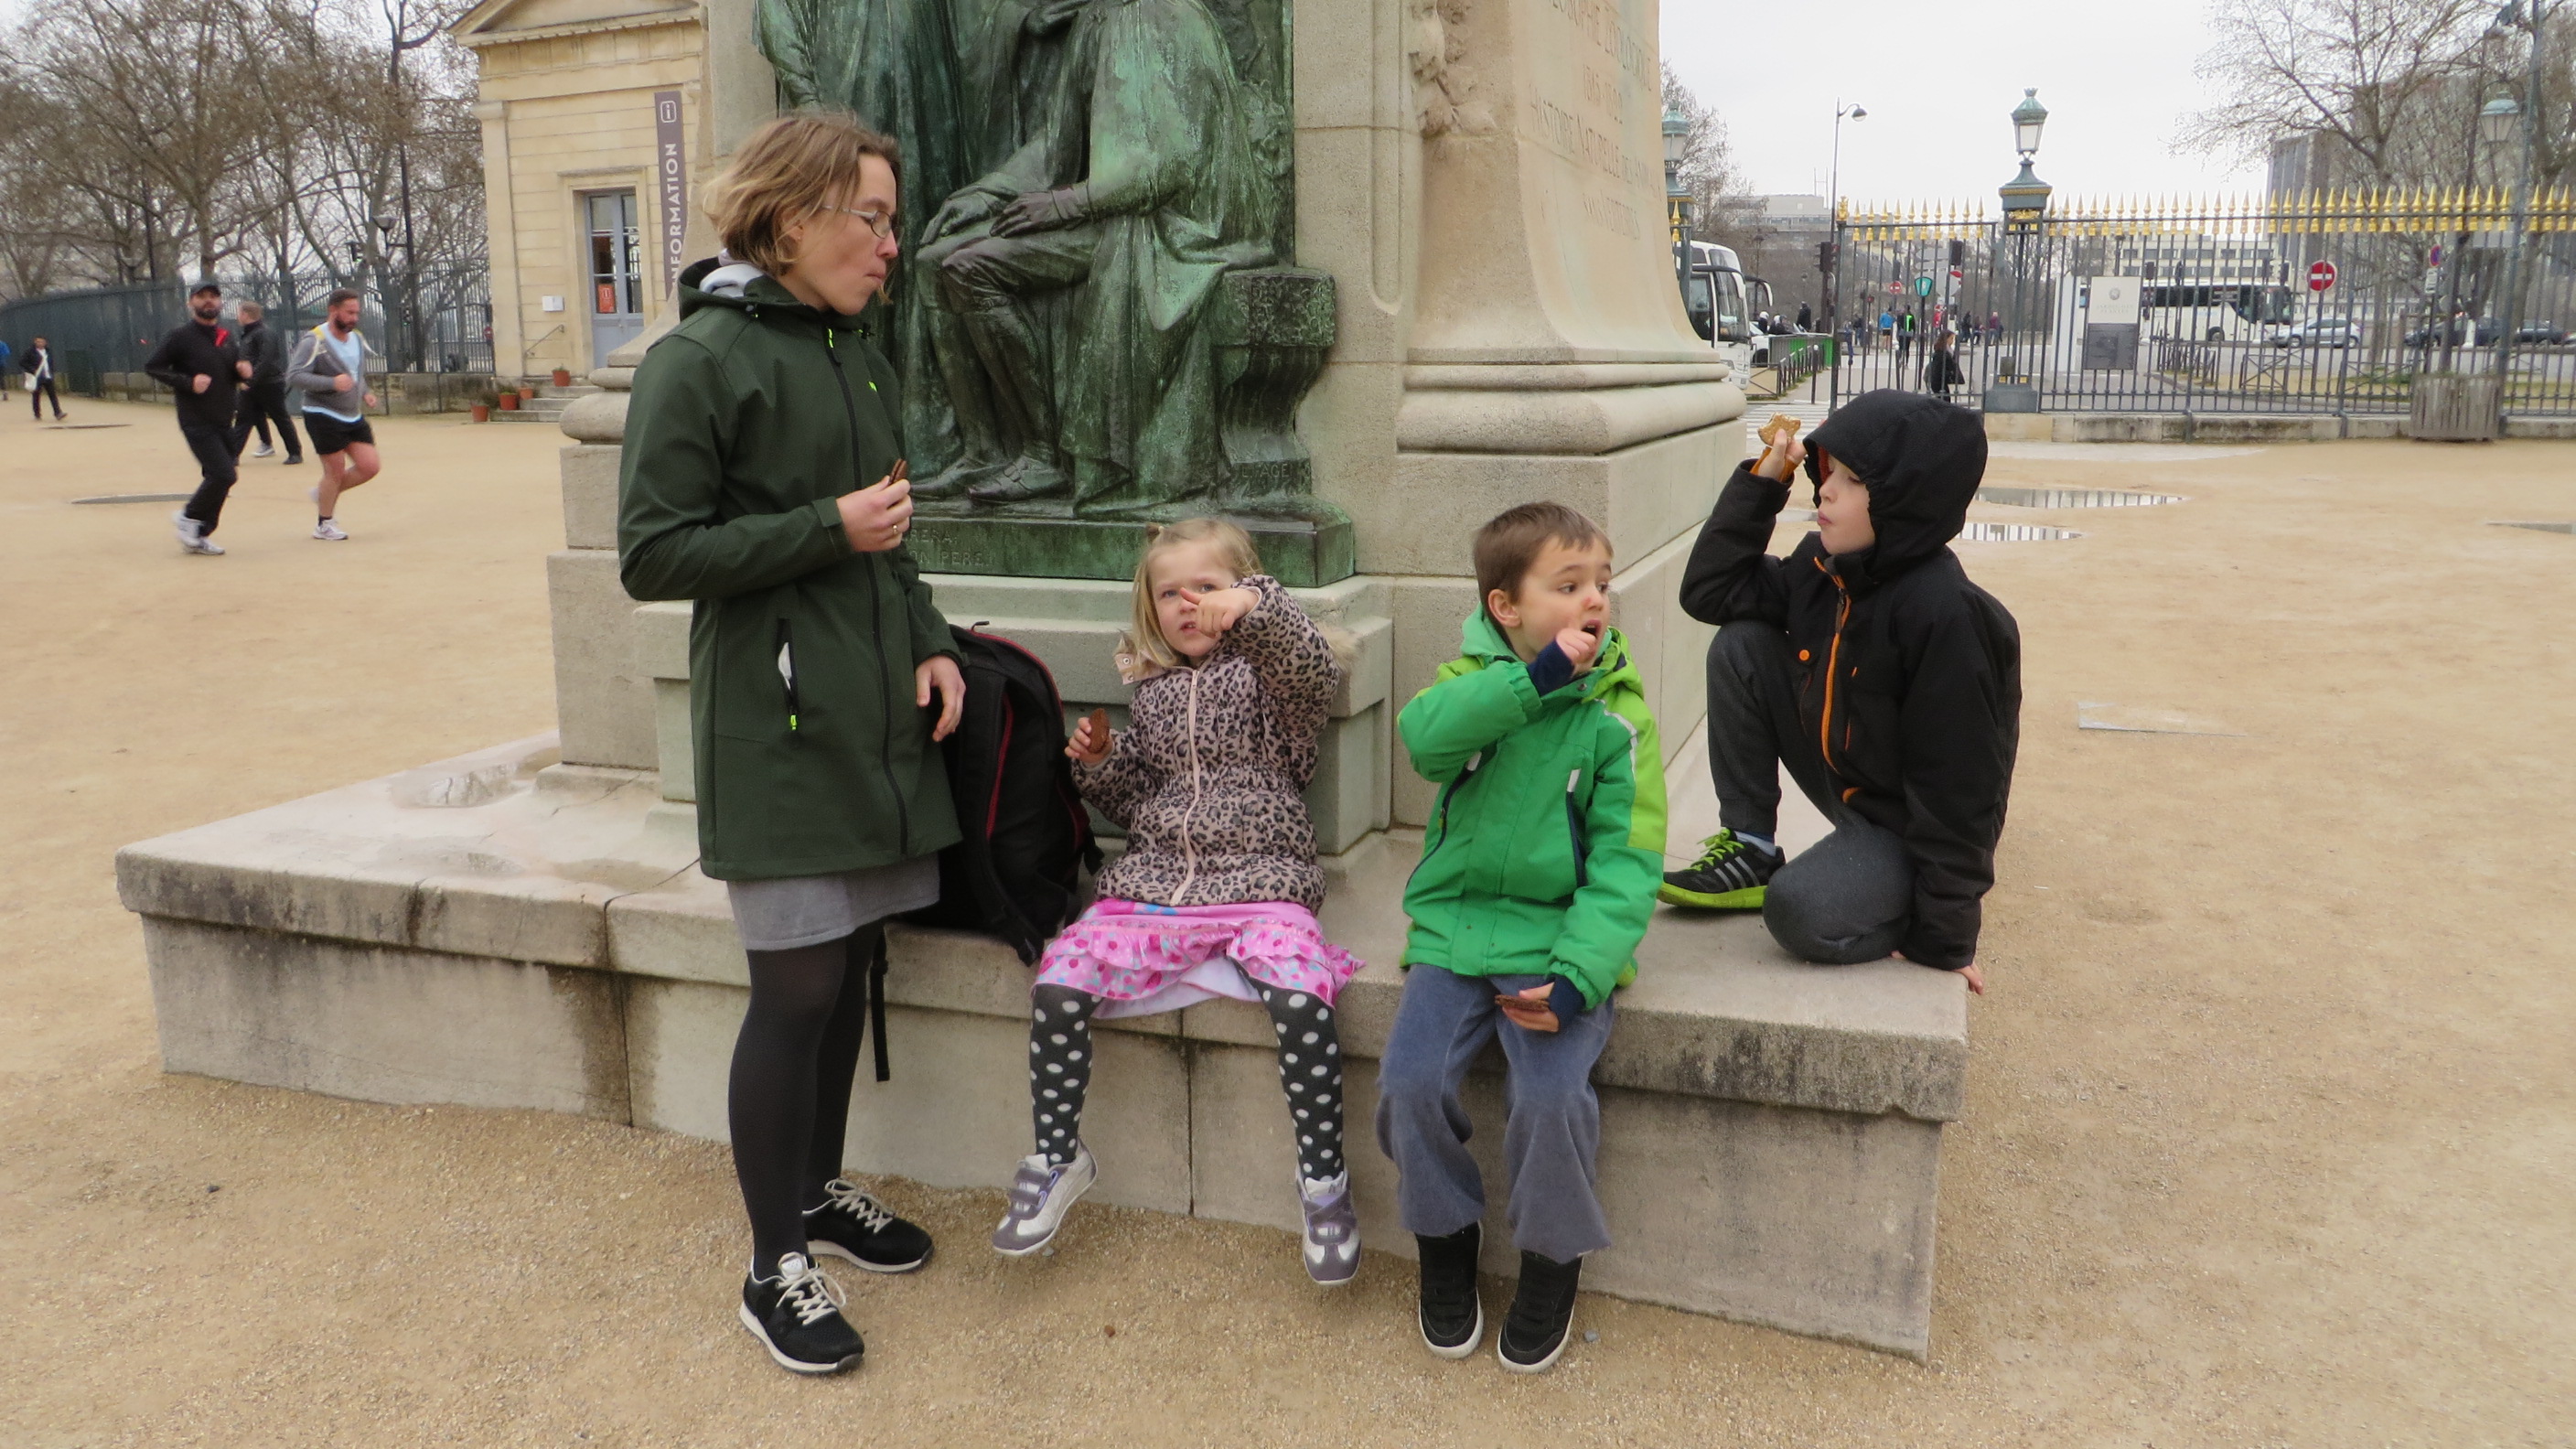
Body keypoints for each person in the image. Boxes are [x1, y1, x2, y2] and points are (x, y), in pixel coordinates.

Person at [618, 112, 967, 1379]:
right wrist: (828, 527)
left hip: (874, 717)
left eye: (891, 221)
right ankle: (774, 1266)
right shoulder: (697, 360)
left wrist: (928, 637)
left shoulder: (855, 350)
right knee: (796, 990)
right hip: (776, 729)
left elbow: (892, 530)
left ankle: (817, 1193)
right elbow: (653, 554)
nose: (889, 245)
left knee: (853, 959)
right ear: (790, 216)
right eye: (869, 219)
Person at [993, 518, 1365, 1283]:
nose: (1188, 604)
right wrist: (1102, 763)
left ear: (1241, 587)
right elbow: (1140, 801)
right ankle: (1057, 1158)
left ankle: (1324, 1182)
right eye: (1170, 593)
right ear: (1149, 608)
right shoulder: (1154, 692)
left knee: (1302, 997)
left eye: (1206, 587)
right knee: (1059, 980)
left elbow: (1305, 662)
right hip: (1155, 887)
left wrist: (1253, 607)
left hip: (1262, 882)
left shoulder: (1274, 679)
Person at [1377, 501, 1666, 1374]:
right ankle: (1445, 1237)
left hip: (1556, 947)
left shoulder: (1617, 716)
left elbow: (1628, 863)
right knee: (1409, 1084)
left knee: (1549, 1100)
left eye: (1601, 583)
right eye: (1568, 585)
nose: (1595, 599)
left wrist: (1580, 975)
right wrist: (1529, 682)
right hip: (1455, 930)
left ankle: (1551, 1255)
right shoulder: (1468, 681)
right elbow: (1424, 740)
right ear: (1505, 606)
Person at [1663, 389, 2019, 1000]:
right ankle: (1749, 847)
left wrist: (1944, 935)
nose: (1824, 490)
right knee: (1741, 644)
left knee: (1798, 910)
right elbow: (1710, 592)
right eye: (1829, 471)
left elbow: (1962, 791)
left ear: (1904, 499)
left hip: (1905, 825)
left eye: (1853, 481)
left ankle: (1891, 897)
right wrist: (1766, 480)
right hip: (1845, 775)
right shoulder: (1825, 567)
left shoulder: (1946, 615)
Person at [144, 284, 253, 555]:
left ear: (220, 302)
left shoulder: (225, 336)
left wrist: (242, 371)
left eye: (213, 297)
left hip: (223, 417)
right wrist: (188, 382)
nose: (208, 301)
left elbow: (229, 371)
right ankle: (188, 517)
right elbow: (153, 367)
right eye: (202, 297)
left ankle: (201, 533)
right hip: (196, 418)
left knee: (221, 478)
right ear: (190, 303)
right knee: (223, 474)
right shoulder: (180, 337)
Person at [286, 290, 381, 541]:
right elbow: (294, 376)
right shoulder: (314, 341)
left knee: (370, 466)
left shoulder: (357, 338)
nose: (354, 318)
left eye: (357, 313)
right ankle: (324, 524)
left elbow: (355, 373)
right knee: (335, 471)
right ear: (333, 310)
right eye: (349, 313)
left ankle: (323, 493)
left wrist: (365, 392)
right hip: (321, 413)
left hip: (351, 414)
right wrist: (331, 383)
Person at [231, 301, 303, 465]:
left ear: (245, 314)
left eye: (239, 313)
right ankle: (232, 456)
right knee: (243, 419)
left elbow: (266, 359)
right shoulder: (248, 334)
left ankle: (295, 453)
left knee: (280, 417)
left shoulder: (264, 333)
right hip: (252, 385)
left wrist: (251, 380)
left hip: (270, 384)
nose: (237, 317)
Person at [22, 336, 64, 420]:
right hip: (37, 377)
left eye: (42, 342)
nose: (40, 343)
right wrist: (32, 370)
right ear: (35, 342)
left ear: (45, 343)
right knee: (36, 396)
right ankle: (37, 413)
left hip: (47, 376)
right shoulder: (30, 352)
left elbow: (50, 362)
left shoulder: (48, 351)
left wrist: (51, 371)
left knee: (53, 395)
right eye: (38, 342)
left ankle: (58, 413)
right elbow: (22, 362)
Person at [1924, 328, 1966, 397]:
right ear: (1946, 339)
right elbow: (1938, 370)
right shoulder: (1941, 353)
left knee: (1944, 399)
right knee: (1944, 400)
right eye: (1951, 338)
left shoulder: (1946, 351)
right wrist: (1950, 374)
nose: (1952, 341)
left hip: (1941, 382)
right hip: (1938, 382)